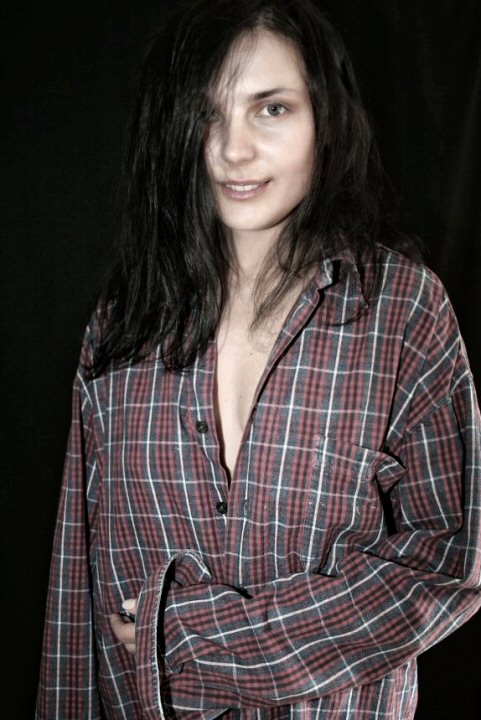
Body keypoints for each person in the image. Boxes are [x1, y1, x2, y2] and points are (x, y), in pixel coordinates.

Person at [36, 1, 481, 718]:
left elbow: (449, 562)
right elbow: (75, 587)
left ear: (324, 120)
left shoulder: (402, 311)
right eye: (206, 114)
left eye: (270, 109)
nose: (232, 151)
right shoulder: (121, 323)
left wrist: (195, 642)